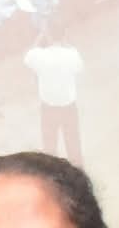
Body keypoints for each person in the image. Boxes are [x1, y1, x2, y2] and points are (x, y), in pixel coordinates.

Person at [21, 13, 85, 165]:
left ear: (48, 33)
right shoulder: (72, 55)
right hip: (69, 107)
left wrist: (41, 35)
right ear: (65, 32)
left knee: (49, 148)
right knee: (74, 146)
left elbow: (28, 56)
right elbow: (79, 67)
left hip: (48, 108)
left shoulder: (40, 56)